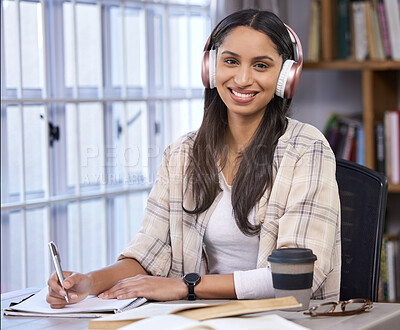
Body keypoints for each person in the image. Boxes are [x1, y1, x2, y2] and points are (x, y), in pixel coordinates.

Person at [46, 9, 341, 308]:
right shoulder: (182, 153)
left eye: (261, 65)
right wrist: (89, 282)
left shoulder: (306, 148)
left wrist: (185, 287)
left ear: (286, 76)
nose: (242, 78)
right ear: (210, 67)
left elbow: (298, 275)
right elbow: (149, 253)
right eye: (231, 61)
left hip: (282, 321)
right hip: (201, 318)